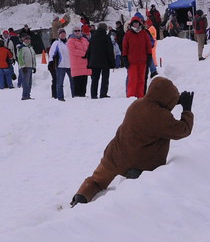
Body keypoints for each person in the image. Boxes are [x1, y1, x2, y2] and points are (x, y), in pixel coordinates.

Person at [70, 77, 195, 206]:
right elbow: (183, 130)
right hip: (140, 161)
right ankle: (136, 176)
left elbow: (156, 109)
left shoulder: (137, 104)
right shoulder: (161, 117)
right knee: (141, 166)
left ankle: (81, 196)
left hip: (114, 155)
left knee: (97, 180)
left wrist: (173, 102)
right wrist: (187, 110)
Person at [122, 15, 153, 98]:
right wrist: (124, 58)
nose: (136, 25)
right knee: (132, 80)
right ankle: (131, 97)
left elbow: (148, 46)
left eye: (137, 23)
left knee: (141, 81)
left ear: (139, 24)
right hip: (132, 62)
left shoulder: (144, 34)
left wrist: (149, 57)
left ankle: (140, 97)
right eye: (134, 23)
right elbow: (125, 48)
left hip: (143, 62)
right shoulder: (128, 34)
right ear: (132, 24)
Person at [87, 22, 115, 98]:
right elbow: (110, 51)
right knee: (105, 78)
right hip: (105, 62)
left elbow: (89, 50)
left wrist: (89, 62)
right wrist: (112, 63)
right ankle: (103, 94)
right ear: (105, 29)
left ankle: (93, 94)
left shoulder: (93, 37)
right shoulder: (106, 37)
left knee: (95, 79)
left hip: (94, 62)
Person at [49, 29, 73, 101]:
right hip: (60, 65)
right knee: (60, 82)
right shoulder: (56, 43)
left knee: (73, 82)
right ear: (59, 35)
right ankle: (60, 97)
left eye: (64, 33)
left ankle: (74, 95)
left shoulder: (68, 42)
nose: (63, 35)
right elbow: (52, 53)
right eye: (61, 33)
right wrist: (51, 62)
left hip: (69, 65)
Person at [67, 28, 90, 97]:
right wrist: (84, 54)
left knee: (84, 81)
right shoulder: (70, 41)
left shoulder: (84, 40)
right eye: (75, 31)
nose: (77, 32)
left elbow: (89, 48)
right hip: (76, 64)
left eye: (78, 31)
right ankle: (77, 96)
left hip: (85, 64)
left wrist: (88, 54)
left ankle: (83, 94)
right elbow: (72, 51)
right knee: (77, 81)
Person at [16, 34, 37, 99]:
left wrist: (34, 66)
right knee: (25, 82)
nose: (28, 40)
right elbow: (20, 58)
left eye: (29, 39)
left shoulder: (31, 48)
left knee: (29, 82)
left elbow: (33, 57)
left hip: (30, 66)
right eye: (26, 39)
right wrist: (23, 66)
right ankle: (24, 95)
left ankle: (28, 94)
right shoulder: (22, 48)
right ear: (24, 40)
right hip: (25, 67)